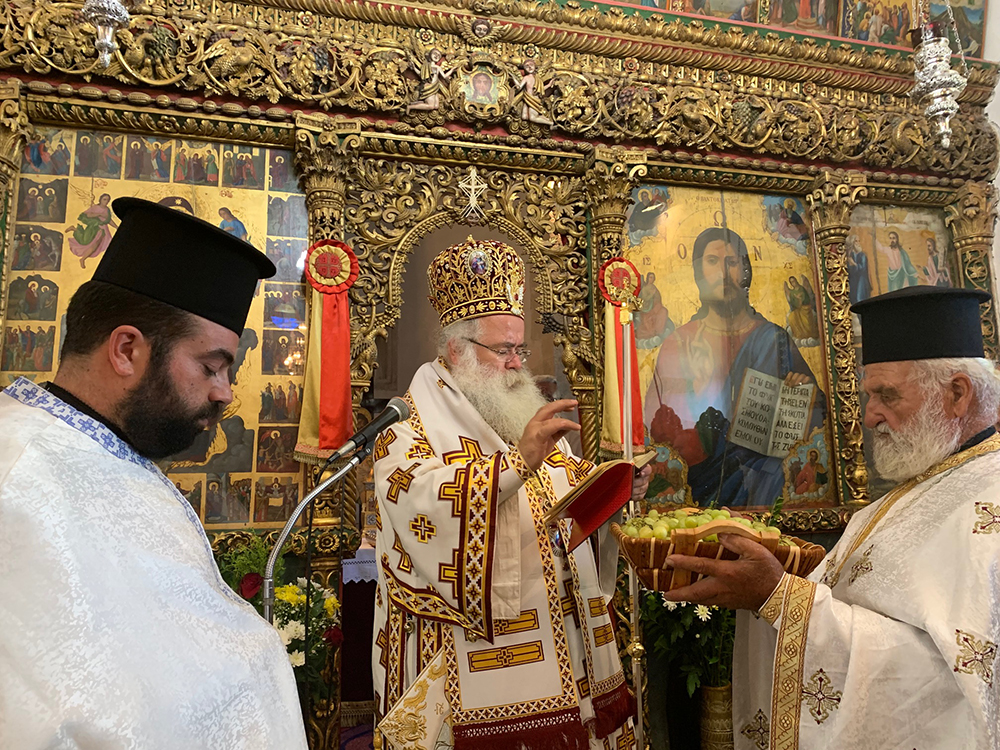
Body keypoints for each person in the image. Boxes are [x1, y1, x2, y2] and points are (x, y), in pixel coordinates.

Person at [0, 198, 307, 748]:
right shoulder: (15, 473)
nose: (224, 392)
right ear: (126, 350)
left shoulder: (105, 451)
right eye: (211, 366)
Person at [662, 286, 1000, 749]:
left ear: (958, 393)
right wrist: (780, 575)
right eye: (868, 395)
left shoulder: (991, 501)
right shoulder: (912, 490)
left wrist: (779, 598)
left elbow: (957, 688)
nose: (869, 415)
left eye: (886, 395)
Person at [373, 238, 649, 750]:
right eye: (503, 350)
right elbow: (422, 503)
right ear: (457, 350)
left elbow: (563, 487)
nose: (516, 363)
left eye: (520, 349)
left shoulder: (515, 406)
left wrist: (614, 483)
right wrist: (517, 464)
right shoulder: (407, 424)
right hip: (470, 658)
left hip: (568, 646)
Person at [643, 227, 825, 506]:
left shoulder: (772, 339)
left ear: (745, 270)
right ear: (699, 273)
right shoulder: (678, 342)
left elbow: (817, 415)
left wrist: (801, 394)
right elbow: (658, 427)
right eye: (713, 262)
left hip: (764, 479)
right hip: (701, 479)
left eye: (732, 262)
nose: (724, 273)